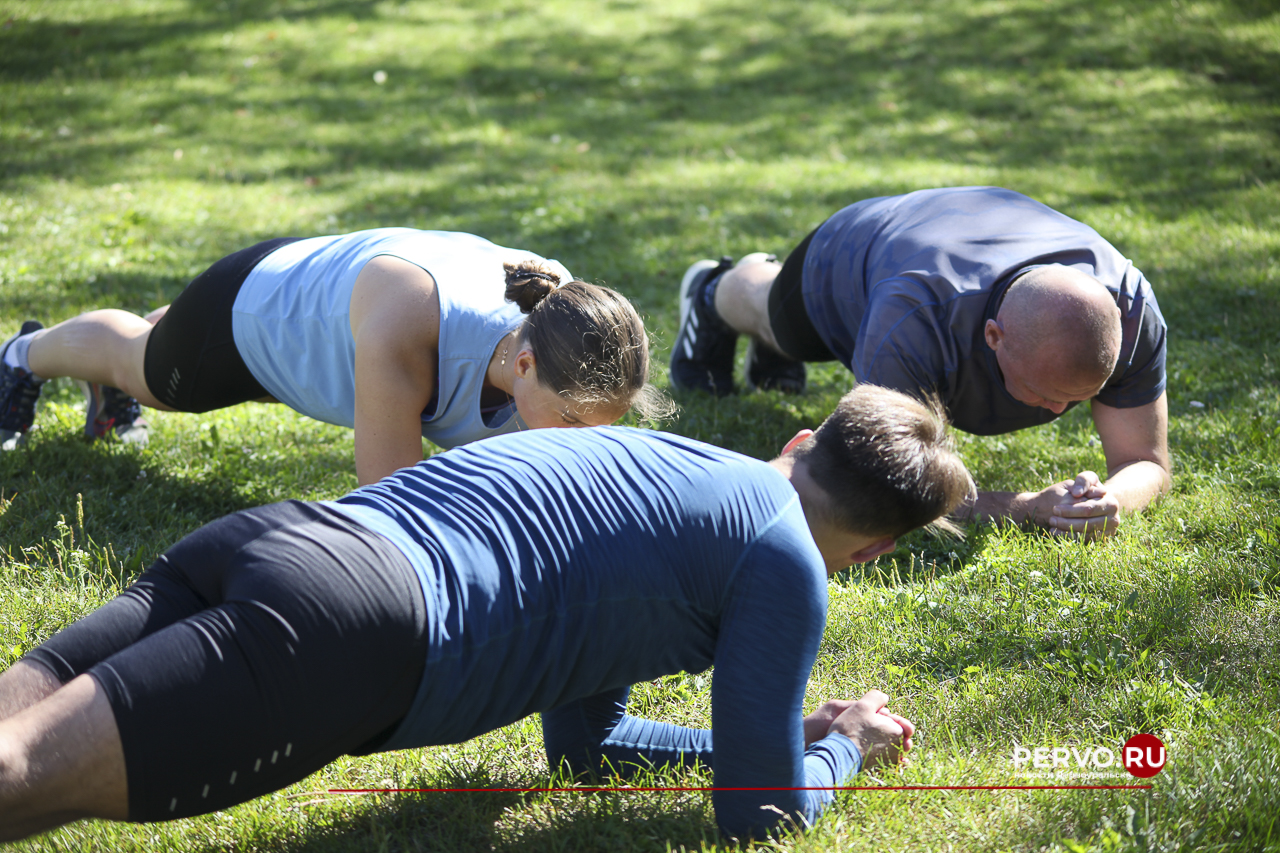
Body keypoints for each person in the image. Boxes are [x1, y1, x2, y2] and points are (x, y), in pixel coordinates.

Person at [0, 384, 972, 843]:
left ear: (801, 440)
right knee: (17, 777)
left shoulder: (665, 471)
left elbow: (585, 752)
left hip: (275, 540)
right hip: (351, 626)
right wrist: (845, 743)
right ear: (874, 550)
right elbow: (761, 816)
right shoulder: (784, 559)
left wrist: (761, 735)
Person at [670, 186, 1170, 539]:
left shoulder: (1134, 316)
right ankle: (716, 287)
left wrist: (1108, 503)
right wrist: (1028, 508)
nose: (1056, 412)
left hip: (965, 232)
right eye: (1043, 391)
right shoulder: (913, 318)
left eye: (1077, 398)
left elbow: (1145, 462)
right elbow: (884, 482)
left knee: (784, 345)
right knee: (780, 323)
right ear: (993, 335)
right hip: (854, 250)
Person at [0, 229, 669, 484]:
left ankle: (164, 328)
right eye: (575, 423)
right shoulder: (416, 328)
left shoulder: (564, 328)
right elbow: (396, 507)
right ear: (523, 367)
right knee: (145, 370)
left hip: (327, 307)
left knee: (159, 344)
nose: (587, 444)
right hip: (248, 318)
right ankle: (20, 355)